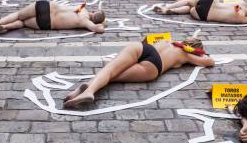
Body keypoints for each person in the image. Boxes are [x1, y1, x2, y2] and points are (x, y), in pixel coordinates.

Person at [63, 36, 215, 108]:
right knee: (114, 76)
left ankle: (88, 87)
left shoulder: (168, 42)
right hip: (154, 66)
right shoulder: (185, 54)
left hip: (144, 49)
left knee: (110, 68)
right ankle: (89, 91)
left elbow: (145, 39)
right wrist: (200, 53)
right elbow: (210, 61)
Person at [0, 0, 105, 34]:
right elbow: (98, 29)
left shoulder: (82, 7)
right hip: (47, 22)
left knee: (18, 15)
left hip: (46, 6)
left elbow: (73, 9)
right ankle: (5, 27)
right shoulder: (85, 22)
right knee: (24, 23)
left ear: (93, 12)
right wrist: (102, 24)